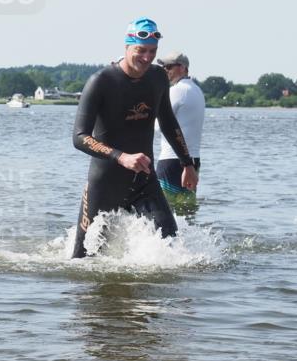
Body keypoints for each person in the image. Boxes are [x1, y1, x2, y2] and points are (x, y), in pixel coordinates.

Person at [70, 17, 197, 259]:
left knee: (171, 246)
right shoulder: (101, 81)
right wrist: (121, 157)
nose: (147, 57)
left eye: (152, 51)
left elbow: (168, 122)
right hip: (105, 183)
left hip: (144, 180)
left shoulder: (158, 77)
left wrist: (187, 164)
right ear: (127, 47)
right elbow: (79, 137)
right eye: (141, 50)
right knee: (82, 259)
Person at [155, 51, 204, 209]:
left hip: (172, 159)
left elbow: (157, 126)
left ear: (182, 68)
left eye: (169, 67)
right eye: (163, 67)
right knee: (187, 211)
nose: (165, 70)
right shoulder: (197, 90)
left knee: (165, 210)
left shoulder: (176, 91)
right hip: (193, 161)